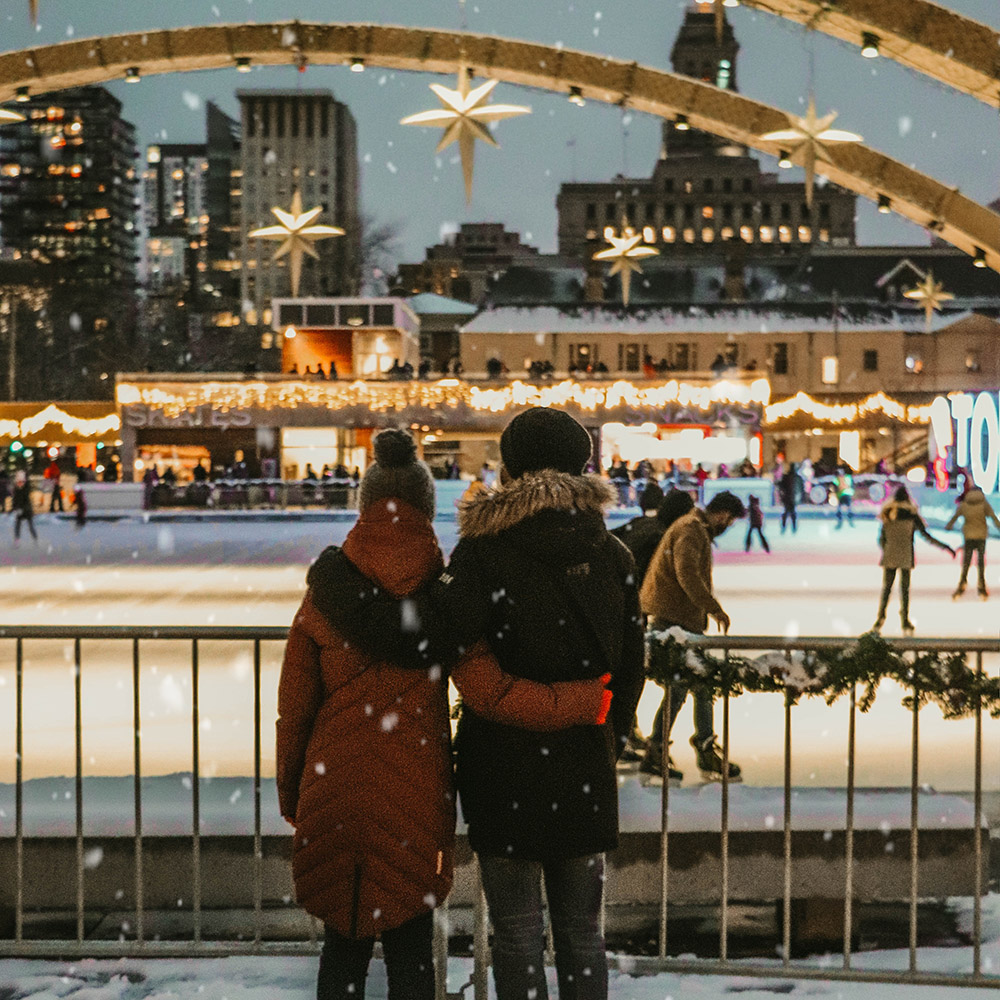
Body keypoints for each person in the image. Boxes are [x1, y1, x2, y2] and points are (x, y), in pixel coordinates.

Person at [277, 429, 611, 1000]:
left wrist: (295, 795)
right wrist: (585, 700)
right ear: (428, 510)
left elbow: (294, 713)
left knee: (344, 942)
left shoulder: (323, 598)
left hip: (333, 789)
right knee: (410, 942)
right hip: (414, 791)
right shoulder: (442, 602)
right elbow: (493, 694)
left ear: (364, 506)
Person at [640, 490, 747, 784]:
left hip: (680, 620)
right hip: (674, 623)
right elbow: (686, 573)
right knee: (680, 686)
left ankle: (701, 746)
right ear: (723, 514)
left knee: (700, 684)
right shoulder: (690, 529)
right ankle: (657, 751)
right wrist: (714, 609)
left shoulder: (692, 527)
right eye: (730, 520)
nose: (728, 526)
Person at [615, 487, 696, 783]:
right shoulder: (662, 535)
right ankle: (631, 738)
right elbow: (650, 577)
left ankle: (625, 735)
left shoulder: (639, 524)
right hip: (628, 612)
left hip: (618, 609)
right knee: (639, 674)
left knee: (626, 675)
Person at [873, 486, 955, 634]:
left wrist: (887, 549)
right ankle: (905, 620)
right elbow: (927, 536)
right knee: (904, 590)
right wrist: (946, 547)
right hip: (906, 555)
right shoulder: (912, 514)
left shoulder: (887, 513)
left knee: (886, 589)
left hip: (890, 556)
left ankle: (880, 618)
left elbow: (881, 539)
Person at [945, 483, 1000, 599]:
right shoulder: (984, 503)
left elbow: (955, 516)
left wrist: (949, 526)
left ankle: (962, 583)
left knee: (966, 562)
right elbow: (993, 517)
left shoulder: (965, 504)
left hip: (969, 536)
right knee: (980, 562)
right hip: (981, 536)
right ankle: (982, 587)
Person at [12, 470, 37, 544]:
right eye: (18, 482)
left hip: (27, 511)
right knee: (17, 525)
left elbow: (26, 501)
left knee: (30, 526)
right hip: (19, 511)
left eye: (21, 482)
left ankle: (35, 539)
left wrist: (22, 509)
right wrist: (14, 507)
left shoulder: (26, 489)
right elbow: (15, 500)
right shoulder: (16, 490)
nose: (20, 484)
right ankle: (17, 539)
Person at [778, 461, 801, 534]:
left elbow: (780, 485)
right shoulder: (796, 477)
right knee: (791, 513)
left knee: (788, 513)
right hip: (791, 498)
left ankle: (787, 527)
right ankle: (791, 527)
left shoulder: (788, 477)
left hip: (789, 498)